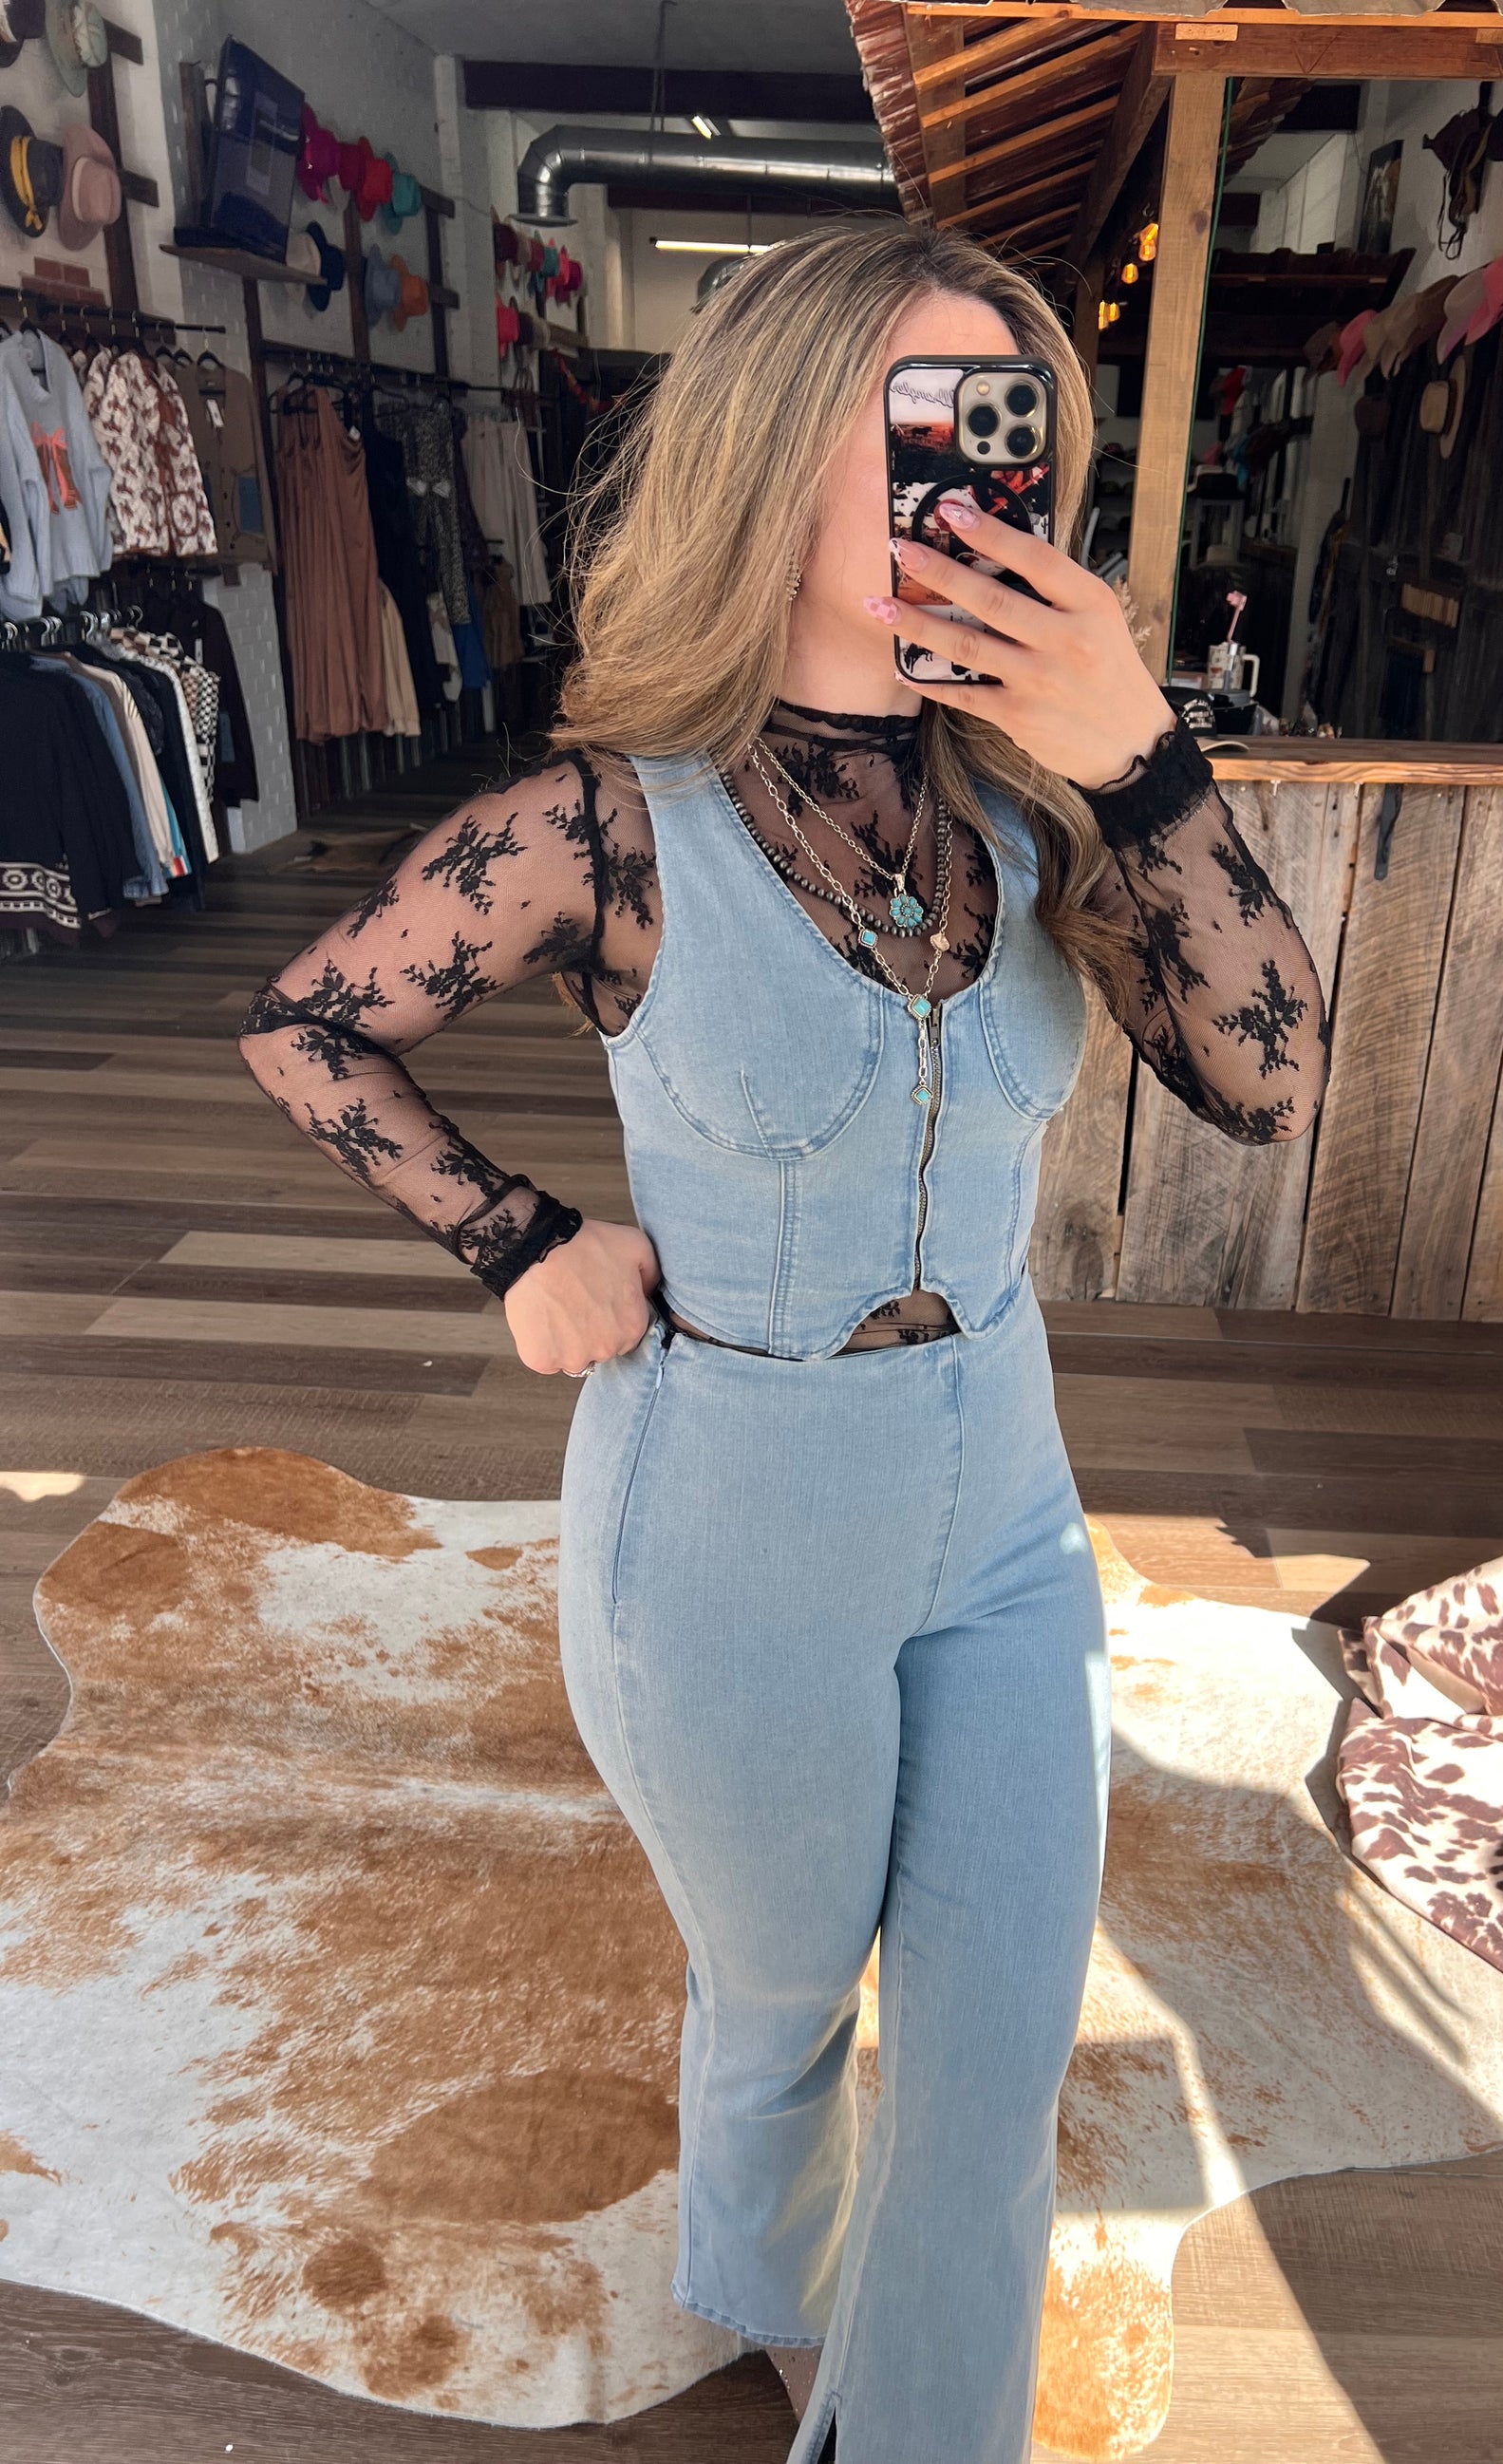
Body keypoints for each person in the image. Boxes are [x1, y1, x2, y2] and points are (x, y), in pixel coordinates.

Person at [239, 221, 1327, 2464]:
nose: (972, 486)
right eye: (919, 424)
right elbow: (308, 1024)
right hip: (728, 1516)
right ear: (765, 447)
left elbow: (1268, 1079)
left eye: (1008, 435)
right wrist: (520, 1236)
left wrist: (1142, 759)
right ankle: (765, 2280)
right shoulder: (607, 822)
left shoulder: (1041, 809)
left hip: (1004, 1500)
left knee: (994, 2056)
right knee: (782, 1988)